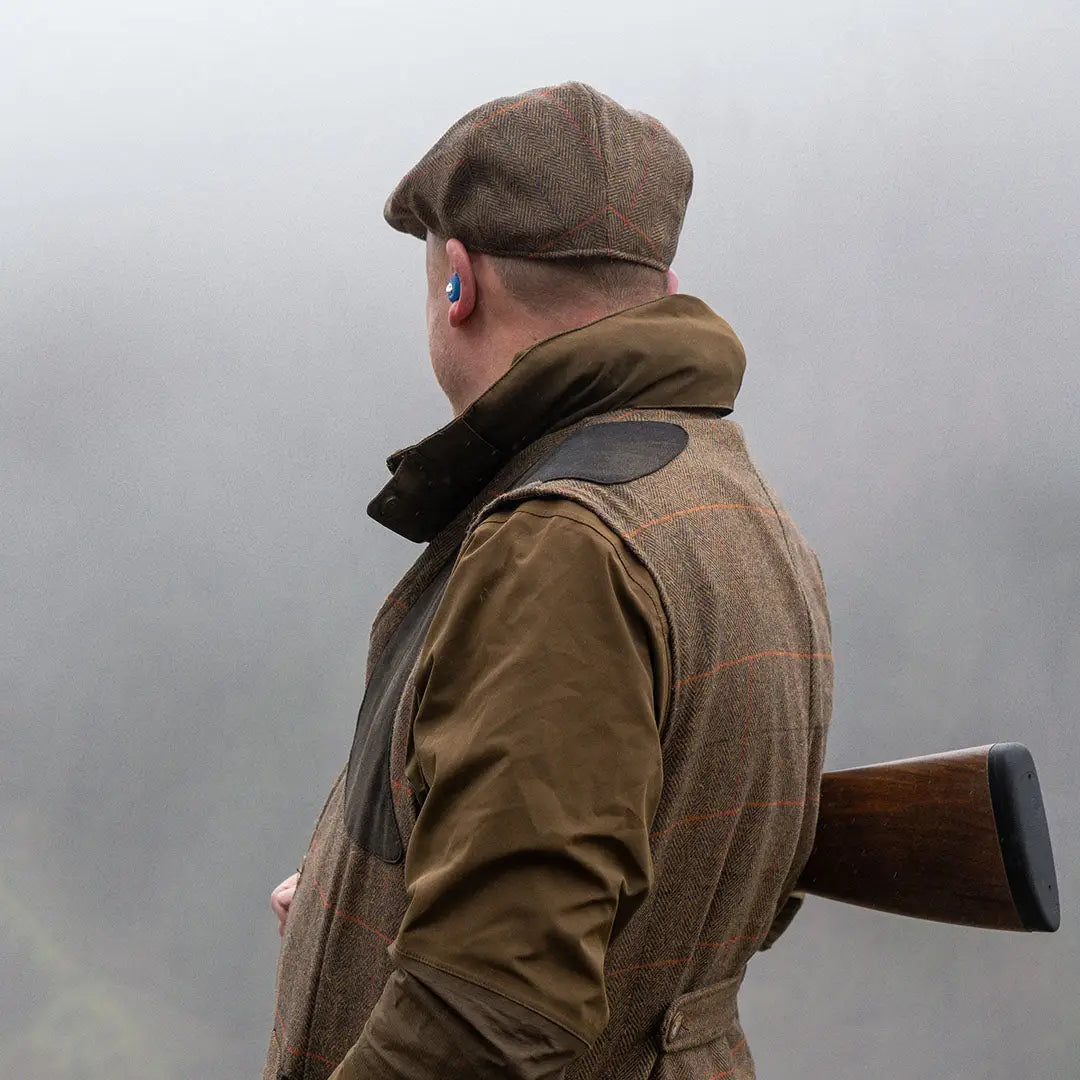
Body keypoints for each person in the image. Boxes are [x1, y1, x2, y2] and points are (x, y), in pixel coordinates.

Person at [263, 81, 833, 1080]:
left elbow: (485, 1023)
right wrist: (361, 903)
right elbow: (673, 874)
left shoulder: (563, 543)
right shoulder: (725, 491)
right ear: (657, 277)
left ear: (458, 282)